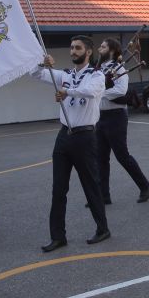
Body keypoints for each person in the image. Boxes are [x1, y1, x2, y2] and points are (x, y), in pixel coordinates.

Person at [33, 36, 111, 251]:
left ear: (88, 52)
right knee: (58, 189)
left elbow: (91, 92)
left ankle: (102, 228)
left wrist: (67, 91)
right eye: (71, 48)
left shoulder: (96, 75)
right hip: (64, 136)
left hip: (85, 137)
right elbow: (35, 75)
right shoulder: (65, 75)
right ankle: (58, 236)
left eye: (78, 48)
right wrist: (42, 64)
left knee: (91, 185)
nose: (73, 51)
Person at [96, 38, 149, 203]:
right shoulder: (98, 69)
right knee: (101, 157)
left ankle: (144, 185)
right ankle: (103, 195)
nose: (99, 49)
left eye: (103, 46)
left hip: (116, 116)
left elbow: (121, 90)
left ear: (112, 51)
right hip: (100, 116)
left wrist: (98, 92)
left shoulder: (120, 68)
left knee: (122, 155)